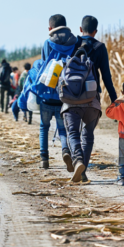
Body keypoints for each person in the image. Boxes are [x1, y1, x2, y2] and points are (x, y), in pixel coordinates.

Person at [62, 15, 117, 183]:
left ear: (80, 29)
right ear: (96, 31)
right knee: (88, 135)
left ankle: (77, 159)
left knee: (72, 132)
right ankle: (83, 169)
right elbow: (106, 76)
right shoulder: (100, 47)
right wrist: (114, 101)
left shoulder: (73, 43)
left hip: (71, 97)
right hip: (92, 97)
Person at [38, 14, 76, 170]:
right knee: (63, 128)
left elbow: (43, 65)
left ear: (50, 28)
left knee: (44, 127)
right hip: (64, 95)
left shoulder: (47, 43)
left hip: (47, 93)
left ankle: (44, 159)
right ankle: (65, 150)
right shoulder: (74, 42)